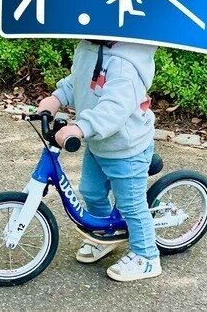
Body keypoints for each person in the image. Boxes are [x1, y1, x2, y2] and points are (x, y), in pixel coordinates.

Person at [37, 39, 160, 282]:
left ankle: (147, 256)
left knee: (131, 205)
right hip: (98, 142)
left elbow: (114, 109)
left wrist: (81, 127)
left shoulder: (125, 65)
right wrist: (57, 98)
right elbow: (79, 81)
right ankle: (106, 234)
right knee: (91, 191)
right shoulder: (89, 47)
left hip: (126, 148)